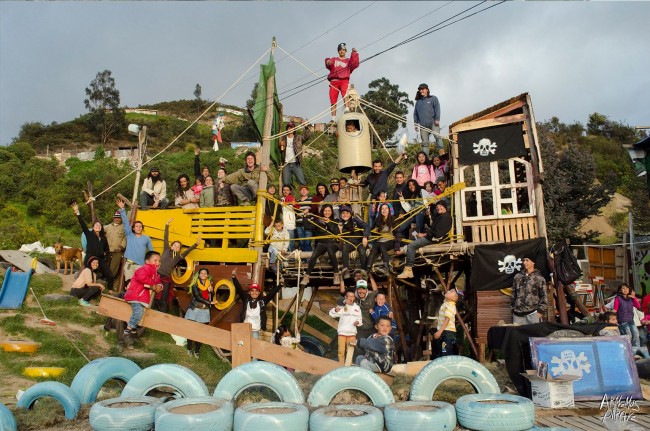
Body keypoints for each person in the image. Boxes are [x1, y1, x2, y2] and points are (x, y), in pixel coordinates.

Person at [397, 200, 452, 279]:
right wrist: (427, 216)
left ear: (445, 207)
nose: (438, 208)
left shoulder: (446, 217)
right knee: (413, 238)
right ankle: (404, 256)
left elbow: (437, 233)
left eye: (440, 206)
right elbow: (432, 226)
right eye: (437, 207)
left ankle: (408, 270)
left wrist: (424, 235)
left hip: (434, 239)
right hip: (431, 237)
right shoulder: (440, 216)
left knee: (411, 246)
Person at [156, 219, 200, 312]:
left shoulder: (178, 256)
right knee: (153, 293)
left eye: (178, 247)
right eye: (174, 245)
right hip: (156, 274)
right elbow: (166, 237)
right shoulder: (166, 249)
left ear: (179, 249)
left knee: (164, 298)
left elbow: (188, 251)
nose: (176, 247)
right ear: (171, 246)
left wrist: (196, 244)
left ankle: (162, 314)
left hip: (166, 278)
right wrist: (167, 225)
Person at [123, 251, 163, 346]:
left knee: (141, 314)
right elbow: (141, 277)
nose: (158, 263)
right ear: (147, 261)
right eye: (155, 260)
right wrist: (153, 284)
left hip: (141, 297)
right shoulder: (145, 268)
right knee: (138, 312)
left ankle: (133, 331)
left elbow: (158, 281)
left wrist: (159, 286)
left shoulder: (155, 273)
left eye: (159, 261)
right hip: (136, 295)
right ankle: (128, 330)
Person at [71, 202, 114, 288]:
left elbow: (107, 250)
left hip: (100, 259)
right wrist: (78, 212)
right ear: (93, 227)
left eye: (99, 225)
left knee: (110, 275)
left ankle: (110, 290)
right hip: (90, 257)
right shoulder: (89, 234)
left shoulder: (103, 238)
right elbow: (83, 224)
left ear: (101, 228)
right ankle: (81, 287)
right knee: (87, 273)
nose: (98, 226)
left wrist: (105, 257)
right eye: (96, 225)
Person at [232, 270, 282, 339]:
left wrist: (280, 285)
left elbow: (272, 293)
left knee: (254, 345)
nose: (254, 293)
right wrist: (234, 278)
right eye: (252, 291)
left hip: (256, 330)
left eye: (256, 291)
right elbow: (239, 289)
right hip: (245, 328)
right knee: (243, 344)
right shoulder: (246, 299)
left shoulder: (262, 301)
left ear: (259, 293)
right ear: (249, 292)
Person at [301, 204, 341, 286]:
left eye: (329, 211)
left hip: (333, 243)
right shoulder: (318, 221)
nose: (327, 212)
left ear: (332, 212)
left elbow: (335, 232)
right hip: (322, 243)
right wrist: (305, 216)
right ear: (322, 212)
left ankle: (336, 274)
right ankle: (307, 276)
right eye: (325, 211)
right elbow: (307, 227)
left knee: (330, 250)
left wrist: (329, 223)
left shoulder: (335, 221)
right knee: (314, 254)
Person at [116, 198, 154, 283]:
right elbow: (126, 223)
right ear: (133, 228)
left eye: (140, 226)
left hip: (141, 265)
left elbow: (151, 252)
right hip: (129, 264)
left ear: (142, 228)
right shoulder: (130, 235)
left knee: (140, 284)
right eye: (136, 226)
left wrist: (152, 263)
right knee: (129, 284)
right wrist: (122, 209)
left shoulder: (146, 238)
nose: (138, 228)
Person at [325, 43, 359, 122]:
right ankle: (333, 118)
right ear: (338, 51)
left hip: (344, 80)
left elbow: (354, 64)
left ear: (346, 51)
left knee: (345, 94)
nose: (342, 51)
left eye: (343, 50)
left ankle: (346, 108)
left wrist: (354, 54)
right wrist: (328, 61)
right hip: (334, 81)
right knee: (333, 100)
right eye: (340, 50)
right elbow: (328, 62)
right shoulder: (334, 59)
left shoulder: (348, 61)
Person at [510, 254, 548, 325]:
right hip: (518, 315)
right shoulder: (517, 277)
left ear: (533, 262)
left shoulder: (539, 278)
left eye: (527, 260)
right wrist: (513, 310)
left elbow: (544, 297)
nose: (524, 262)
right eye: (523, 260)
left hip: (533, 314)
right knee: (518, 332)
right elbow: (513, 295)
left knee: (534, 332)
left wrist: (539, 312)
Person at [185, 267, 213, 358]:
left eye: (205, 273)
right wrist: (209, 302)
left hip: (204, 311)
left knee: (201, 332)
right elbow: (198, 297)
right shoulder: (195, 285)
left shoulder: (209, 284)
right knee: (191, 330)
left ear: (207, 275)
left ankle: (197, 351)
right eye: (201, 273)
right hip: (195, 309)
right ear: (199, 275)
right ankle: (189, 348)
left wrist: (212, 291)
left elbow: (211, 296)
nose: (203, 274)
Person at [329, 289, 362, 364]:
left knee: (350, 351)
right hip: (342, 333)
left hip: (352, 333)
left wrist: (358, 322)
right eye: (349, 296)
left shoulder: (357, 308)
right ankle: (341, 365)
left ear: (354, 298)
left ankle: (348, 365)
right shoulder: (342, 307)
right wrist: (335, 310)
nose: (350, 298)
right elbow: (332, 314)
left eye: (352, 296)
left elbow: (360, 320)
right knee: (341, 351)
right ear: (345, 297)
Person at [339, 205, 370, 280]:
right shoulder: (340, 224)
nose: (345, 215)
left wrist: (365, 237)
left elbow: (367, 227)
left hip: (359, 242)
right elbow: (340, 238)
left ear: (350, 214)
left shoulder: (355, 220)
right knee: (344, 248)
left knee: (362, 251)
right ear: (340, 215)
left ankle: (364, 271)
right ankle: (346, 270)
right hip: (349, 243)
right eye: (343, 213)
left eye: (347, 213)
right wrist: (340, 230)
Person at [366, 203, 396, 276]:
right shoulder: (378, 220)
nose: (384, 210)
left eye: (386, 208)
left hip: (390, 240)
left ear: (389, 210)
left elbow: (398, 233)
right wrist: (375, 232)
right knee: (374, 247)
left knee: (382, 246)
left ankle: (387, 267)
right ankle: (367, 269)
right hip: (380, 241)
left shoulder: (393, 219)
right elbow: (372, 231)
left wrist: (397, 247)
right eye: (382, 209)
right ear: (380, 211)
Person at [413, 83, 442, 156]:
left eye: (422, 89)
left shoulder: (433, 98)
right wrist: (415, 124)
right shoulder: (418, 102)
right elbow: (415, 114)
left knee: (438, 137)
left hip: (433, 122)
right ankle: (426, 158)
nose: (421, 91)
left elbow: (437, 109)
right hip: (423, 125)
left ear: (427, 90)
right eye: (420, 90)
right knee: (424, 143)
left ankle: (442, 153)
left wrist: (437, 119)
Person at [433, 287, 462, 357]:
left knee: (445, 352)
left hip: (448, 333)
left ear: (453, 298)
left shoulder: (450, 305)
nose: (448, 291)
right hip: (445, 332)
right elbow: (445, 294)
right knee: (443, 352)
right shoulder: (446, 303)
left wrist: (439, 332)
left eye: (451, 291)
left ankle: (448, 363)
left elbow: (447, 319)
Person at [279, 122, 309, 188]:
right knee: (286, 183)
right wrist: (280, 145)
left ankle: (305, 194)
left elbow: (306, 137)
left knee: (302, 182)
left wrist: (306, 128)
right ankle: (290, 193)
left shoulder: (298, 138)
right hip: (286, 164)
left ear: (294, 129)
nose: (290, 129)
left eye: (292, 128)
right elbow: (279, 150)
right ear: (287, 129)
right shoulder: (283, 138)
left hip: (296, 163)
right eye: (289, 128)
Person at [104, 210, 126, 291]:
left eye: (119, 218)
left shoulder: (124, 228)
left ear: (121, 218)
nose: (117, 219)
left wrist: (121, 247)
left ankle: (110, 284)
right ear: (113, 218)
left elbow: (125, 238)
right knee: (105, 266)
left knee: (114, 268)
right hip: (107, 250)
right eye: (116, 217)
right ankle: (104, 281)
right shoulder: (107, 227)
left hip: (117, 251)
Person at [614, 283, 641, 348]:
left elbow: (638, 306)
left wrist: (634, 297)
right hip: (622, 321)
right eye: (623, 288)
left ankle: (636, 350)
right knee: (628, 336)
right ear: (620, 290)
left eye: (627, 288)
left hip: (631, 320)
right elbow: (615, 310)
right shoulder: (618, 298)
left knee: (636, 334)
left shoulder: (631, 299)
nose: (625, 290)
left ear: (629, 290)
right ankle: (628, 350)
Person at [352, 278, 378, 345]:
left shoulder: (371, 296)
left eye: (363, 289)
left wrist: (371, 277)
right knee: (360, 346)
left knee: (372, 346)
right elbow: (341, 299)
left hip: (372, 328)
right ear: (357, 290)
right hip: (360, 329)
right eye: (359, 289)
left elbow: (376, 290)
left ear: (366, 290)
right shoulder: (354, 298)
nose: (361, 291)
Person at [280, 185, 299, 251]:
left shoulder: (292, 199)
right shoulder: (280, 199)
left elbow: (297, 208)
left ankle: (291, 254)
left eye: (287, 190)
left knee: (290, 240)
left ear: (290, 191)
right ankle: (284, 254)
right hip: (281, 223)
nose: (285, 191)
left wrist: (294, 204)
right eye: (284, 190)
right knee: (282, 241)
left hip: (290, 223)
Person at [295, 185, 313, 252]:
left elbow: (314, 208)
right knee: (301, 242)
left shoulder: (311, 200)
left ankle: (308, 256)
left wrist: (309, 209)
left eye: (305, 189)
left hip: (308, 223)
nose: (303, 191)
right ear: (300, 191)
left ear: (308, 191)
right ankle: (303, 256)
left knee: (307, 242)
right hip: (299, 223)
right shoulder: (297, 201)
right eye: (302, 190)